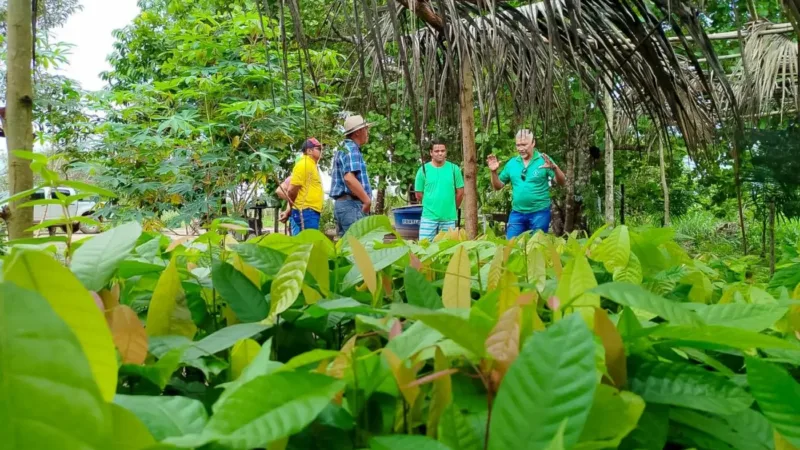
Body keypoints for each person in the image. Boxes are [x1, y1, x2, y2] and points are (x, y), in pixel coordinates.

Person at [487, 129, 566, 239]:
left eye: (524, 144)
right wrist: (493, 172)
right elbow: (498, 186)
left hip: (540, 213)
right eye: (518, 145)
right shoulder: (512, 163)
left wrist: (555, 168)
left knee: (536, 247)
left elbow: (562, 182)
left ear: (533, 143)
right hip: (517, 213)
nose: (520, 148)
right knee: (511, 246)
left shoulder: (544, 160)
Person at [414, 139, 465, 241]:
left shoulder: (454, 169)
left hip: (449, 218)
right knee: (424, 249)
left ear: (446, 152)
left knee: (447, 250)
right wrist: (431, 204)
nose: (440, 153)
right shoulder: (423, 170)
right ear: (431, 153)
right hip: (428, 218)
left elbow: (460, 193)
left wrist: (451, 208)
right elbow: (418, 194)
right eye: (437, 151)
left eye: (443, 150)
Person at [330, 114, 372, 237]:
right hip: (352, 205)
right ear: (358, 132)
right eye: (366, 129)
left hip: (343, 205)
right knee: (358, 251)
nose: (367, 132)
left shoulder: (343, 148)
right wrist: (367, 201)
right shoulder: (351, 148)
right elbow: (349, 178)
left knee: (347, 249)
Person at [284, 138, 324, 235]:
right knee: (308, 244)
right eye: (318, 148)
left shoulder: (312, 165)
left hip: (311, 212)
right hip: (306, 211)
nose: (321, 151)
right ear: (309, 151)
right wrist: (292, 207)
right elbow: (292, 190)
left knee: (309, 244)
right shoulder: (303, 164)